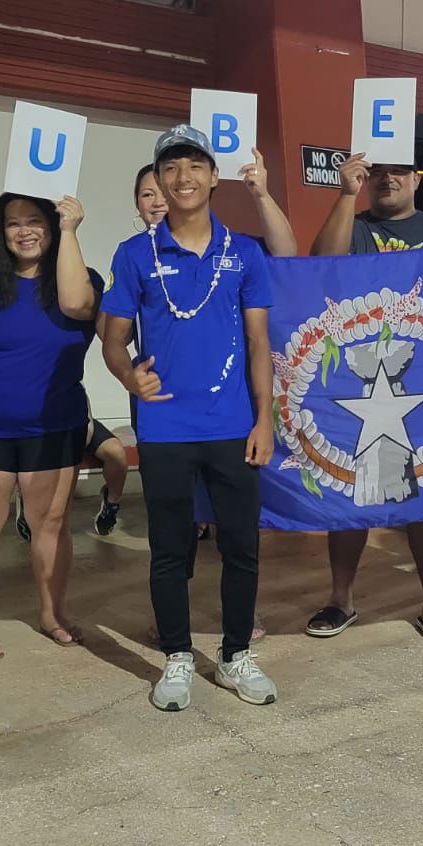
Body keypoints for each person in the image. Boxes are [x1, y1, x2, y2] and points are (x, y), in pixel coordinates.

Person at [99, 125, 277, 711]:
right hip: (166, 428)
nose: (183, 178)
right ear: (158, 181)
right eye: (170, 169)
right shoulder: (134, 254)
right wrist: (130, 377)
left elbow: (258, 345)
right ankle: (176, 656)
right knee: (170, 548)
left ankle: (233, 656)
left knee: (241, 548)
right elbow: (113, 340)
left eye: (194, 166)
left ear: (213, 176)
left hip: (232, 426)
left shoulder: (245, 252)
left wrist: (264, 420)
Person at [305, 154, 423, 644]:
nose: (387, 178)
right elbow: (319, 268)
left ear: (417, 177)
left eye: (398, 170)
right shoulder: (349, 226)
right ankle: (340, 599)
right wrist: (344, 195)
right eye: (378, 171)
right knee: (352, 490)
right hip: (353, 379)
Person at [0, 193, 103, 659]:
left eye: (35, 221)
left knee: (49, 522)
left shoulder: (81, 282)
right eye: (13, 223)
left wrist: (71, 228)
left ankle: (52, 613)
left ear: (52, 227)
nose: (24, 231)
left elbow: (81, 308)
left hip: (55, 423)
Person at [15, 412, 127, 540]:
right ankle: (27, 498)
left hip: (76, 423)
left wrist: (76, 445)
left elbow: (86, 428)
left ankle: (111, 502)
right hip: (37, 426)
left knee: (116, 453)